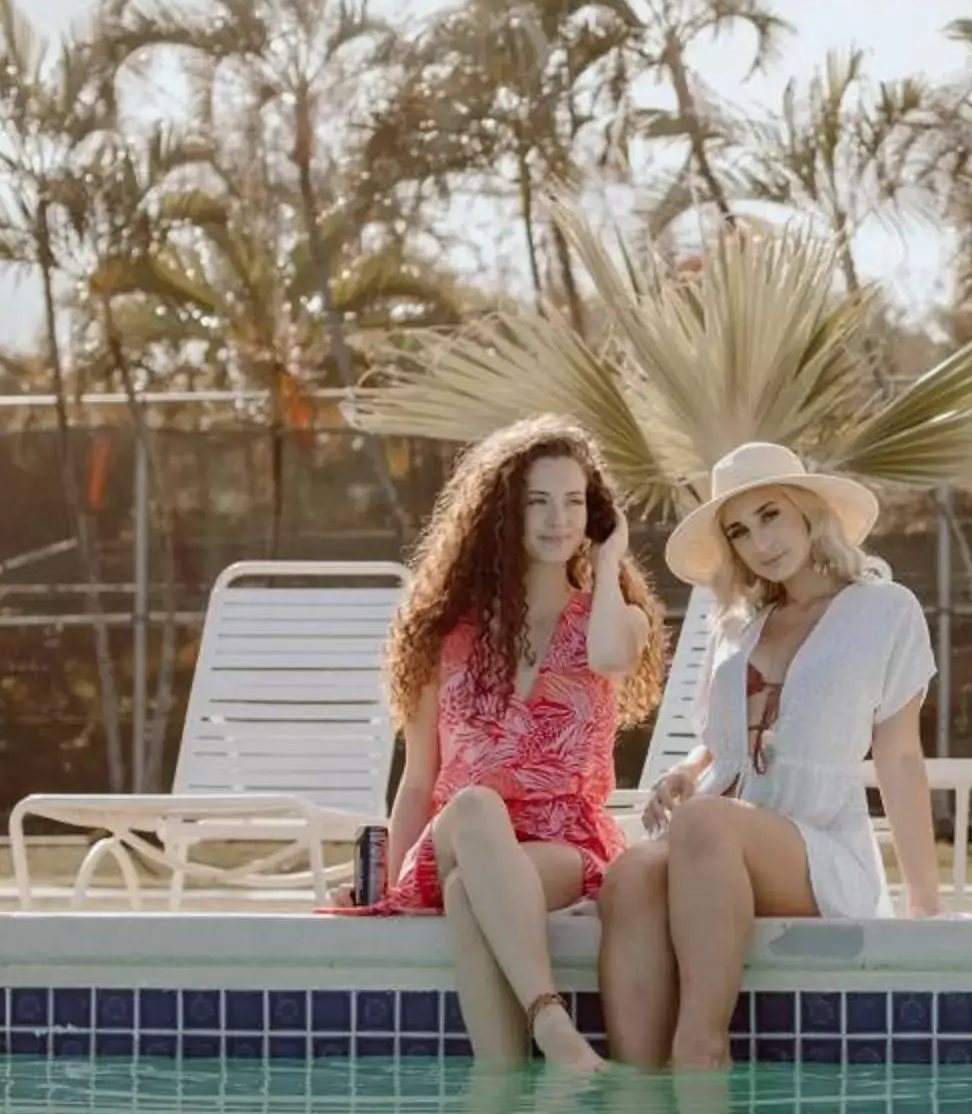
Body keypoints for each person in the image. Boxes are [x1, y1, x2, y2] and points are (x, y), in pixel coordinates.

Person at [571, 441, 940, 1072]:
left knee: (705, 825)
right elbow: (720, 742)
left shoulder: (884, 609)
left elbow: (900, 757)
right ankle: (638, 1100)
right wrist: (684, 774)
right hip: (713, 840)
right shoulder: (736, 627)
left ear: (806, 510)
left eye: (770, 514)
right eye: (740, 531)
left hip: (817, 850)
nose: (760, 541)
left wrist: (926, 902)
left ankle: (701, 1046)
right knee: (629, 877)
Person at [359, 415, 665, 1065]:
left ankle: (510, 1101)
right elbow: (418, 780)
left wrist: (609, 561)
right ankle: (551, 1022)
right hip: (455, 836)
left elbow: (611, 656)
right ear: (502, 514)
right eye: (537, 501)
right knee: (473, 809)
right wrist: (387, 891)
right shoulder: (443, 635)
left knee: (477, 892)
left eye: (575, 502)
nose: (558, 520)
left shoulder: (614, 621)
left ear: (595, 516)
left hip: (564, 844)